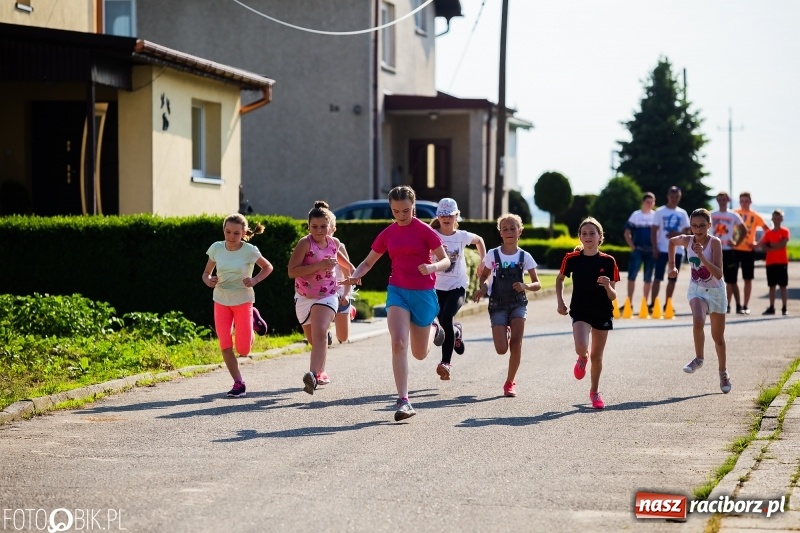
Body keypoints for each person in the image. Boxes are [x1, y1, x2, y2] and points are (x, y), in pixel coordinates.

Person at [340, 186, 450, 421]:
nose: (401, 216)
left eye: (406, 211)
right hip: (397, 291)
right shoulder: (388, 233)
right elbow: (368, 262)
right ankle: (404, 401)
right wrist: (356, 274)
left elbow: (445, 260)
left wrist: (432, 267)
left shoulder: (424, 231)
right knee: (399, 343)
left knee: (420, 354)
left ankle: (434, 327)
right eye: (396, 211)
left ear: (414, 207)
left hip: (423, 293)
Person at [202, 213, 274, 398]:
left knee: (243, 350)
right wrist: (209, 280)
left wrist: (255, 279)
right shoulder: (216, 248)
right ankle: (238, 382)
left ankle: (253, 319)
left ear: (243, 233)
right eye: (228, 232)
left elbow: (268, 267)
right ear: (223, 231)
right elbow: (206, 273)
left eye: (236, 233)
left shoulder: (250, 250)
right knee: (225, 343)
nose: (231, 236)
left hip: (243, 300)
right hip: (221, 299)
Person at [288, 201, 355, 394]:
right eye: (314, 227)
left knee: (319, 333)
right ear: (308, 226)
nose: (319, 231)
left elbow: (347, 266)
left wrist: (349, 286)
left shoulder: (334, 244)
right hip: (303, 296)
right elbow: (292, 272)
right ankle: (320, 368)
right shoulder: (304, 243)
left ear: (330, 227)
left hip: (327, 295)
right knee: (314, 339)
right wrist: (318, 266)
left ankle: (312, 375)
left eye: (323, 227)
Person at [472, 213, 540, 398]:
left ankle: (510, 382)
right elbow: (484, 275)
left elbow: (537, 283)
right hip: (498, 304)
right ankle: (505, 331)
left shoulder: (525, 257)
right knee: (501, 349)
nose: (509, 232)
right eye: (505, 229)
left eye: (513, 228)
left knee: (516, 345)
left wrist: (525, 285)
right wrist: (483, 288)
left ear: (520, 231)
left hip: (518, 303)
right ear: (500, 233)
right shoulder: (492, 255)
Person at [556, 217, 619, 409]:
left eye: (592, 233)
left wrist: (608, 285)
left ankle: (594, 392)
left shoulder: (609, 261)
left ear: (600, 237)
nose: (588, 236)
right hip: (580, 310)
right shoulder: (571, 259)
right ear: (580, 237)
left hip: (602, 310)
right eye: (584, 233)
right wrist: (560, 301)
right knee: (581, 346)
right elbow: (559, 279)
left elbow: (613, 296)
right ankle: (581, 357)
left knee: (597, 357)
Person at [669, 208, 731, 394]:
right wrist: (672, 266)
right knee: (698, 320)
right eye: (694, 225)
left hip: (716, 292)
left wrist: (702, 256)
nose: (698, 229)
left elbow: (719, 273)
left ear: (709, 225)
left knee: (718, 338)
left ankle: (723, 373)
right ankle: (699, 358)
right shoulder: (687, 240)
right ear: (690, 226)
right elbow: (672, 242)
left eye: (702, 225)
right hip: (697, 290)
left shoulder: (715, 243)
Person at [430, 198, 486, 380]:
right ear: (438, 216)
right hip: (436, 287)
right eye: (443, 215)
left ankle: (445, 363)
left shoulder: (462, 236)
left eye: (450, 215)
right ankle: (456, 332)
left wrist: (482, 262)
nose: (446, 218)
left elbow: (480, 241)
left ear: (456, 216)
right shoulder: (431, 234)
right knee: (445, 323)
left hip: (457, 287)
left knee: (446, 317)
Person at [651, 185, 690, 313]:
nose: (674, 199)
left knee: (672, 278)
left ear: (680, 197)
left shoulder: (682, 213)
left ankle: (668, 303)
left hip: (677, 251)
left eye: (677, 196)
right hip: (662, 249)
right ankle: (653, 303)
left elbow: (687, 231)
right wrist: (655, 248)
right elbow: (654, 231)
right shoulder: (660, 211)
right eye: (672, 196)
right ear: (668, 196)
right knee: (657, 277)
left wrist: (676, 234)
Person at [733, 192, 771, 314]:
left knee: (747, 279)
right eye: (742, 201)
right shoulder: (734, 213)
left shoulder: (755, 216)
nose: (744, 203)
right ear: (739, 202)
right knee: (731, 279)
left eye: (746, 201)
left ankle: (745, 305)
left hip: (748, 250)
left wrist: (757, 244)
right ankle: (728, 304)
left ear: (750, 201)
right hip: (734, 249)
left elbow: (767, 230)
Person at [710, 191, 747, 314]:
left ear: (728, 200)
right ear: (717, 200)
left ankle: (738, 305)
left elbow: (744, 230)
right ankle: (716, 305)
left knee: (732, 280)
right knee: (714, 280)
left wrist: (736, 242)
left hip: (729, 251)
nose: (721, 201)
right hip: (715, 251)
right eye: (719, 199)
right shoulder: (712, 215)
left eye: (723, 199)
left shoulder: (733, 215)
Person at [623, 192, 656, 312]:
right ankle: (629, 303)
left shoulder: (656, 216)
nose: (649, 204)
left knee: (648, 278)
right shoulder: (636, 215)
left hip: (651, 251)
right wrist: (632, 246)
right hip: (638, 250)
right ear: (643, 202)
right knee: (632, 276)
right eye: (647, 201)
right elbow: (627, 232)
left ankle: (644, 304)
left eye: (651, 202)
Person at [757, 209, 790, 316]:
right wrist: (775, 245)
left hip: (782, 262)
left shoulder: (785, 231)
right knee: (772, 286)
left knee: (783, 286)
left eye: (778, 218)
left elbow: (783, 244)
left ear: (782, 219)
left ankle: (784, 307)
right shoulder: (768, 233)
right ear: (772, 219)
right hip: (770, 262)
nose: (776, 221)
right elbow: (764, 247)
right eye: (774, 218)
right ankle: (772, 307)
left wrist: (771, 246)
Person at [329, 215, 354, 346]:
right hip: (321, 292)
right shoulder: (309, 246)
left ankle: (350, 311)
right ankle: (325, 329)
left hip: (340, 290)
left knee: (342, 337)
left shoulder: (340, 247)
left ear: (333, 229)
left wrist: (346, 294)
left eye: (326, 228)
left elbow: (347, 272)